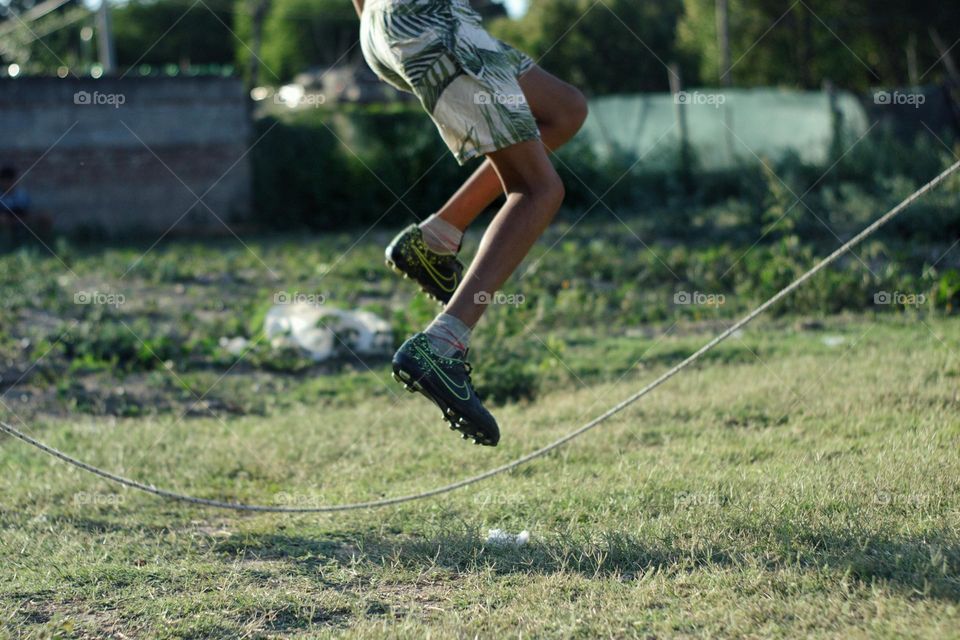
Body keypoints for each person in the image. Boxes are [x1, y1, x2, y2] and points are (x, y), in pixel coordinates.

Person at [354, 0, 588, 446]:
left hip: (385, 23)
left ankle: (436, 237)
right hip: (431, 20)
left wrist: (376, 23)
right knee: (539, 189)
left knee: (564, 110)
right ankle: (441, 344)